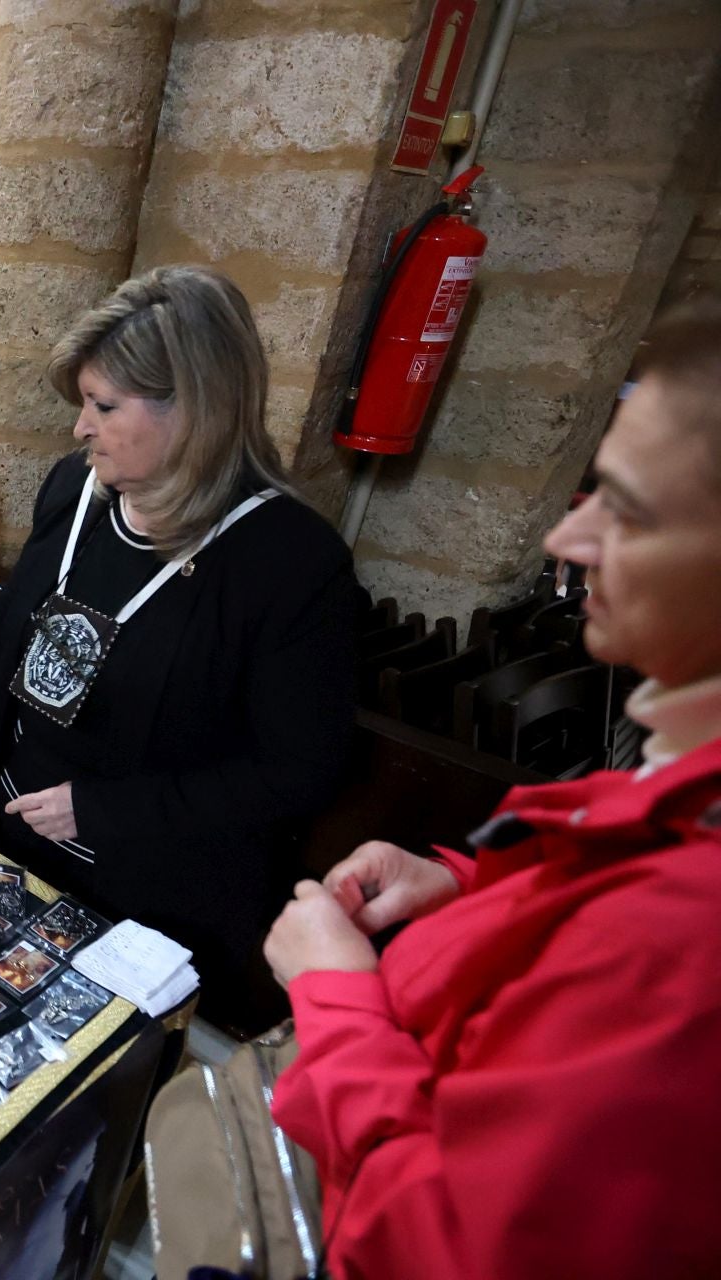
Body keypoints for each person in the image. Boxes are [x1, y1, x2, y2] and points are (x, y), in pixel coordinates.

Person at [255, 302, 721, 1279]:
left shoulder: (684, 936)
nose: (569, 533)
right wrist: (473, 885)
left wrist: (334, 996)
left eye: (626, 509)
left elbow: (444, 1246)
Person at [0, 265, 356, 1028]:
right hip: (11, 833)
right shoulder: (75, 487)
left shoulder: (287, 561)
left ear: (197, 410)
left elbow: (299, 771)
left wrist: (106, 810)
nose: (81, 428)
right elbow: (18, 615)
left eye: (103, 406)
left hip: (148, 886)